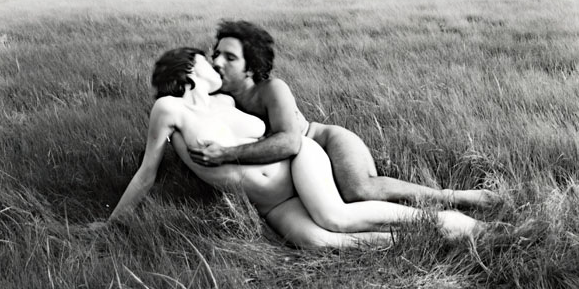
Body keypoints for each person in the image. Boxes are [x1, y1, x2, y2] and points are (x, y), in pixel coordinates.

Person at [96, 47, 483, 248]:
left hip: (298, 160)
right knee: (320, 242)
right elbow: (147, 173)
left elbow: (281, 123)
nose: (217, 67)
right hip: (272, 203)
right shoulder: (170, 109)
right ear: (189, 71)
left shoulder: (227, 101)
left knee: (337, 217)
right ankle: (418, 237)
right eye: (208, 63)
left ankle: (452, 223)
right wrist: (113, 224)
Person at [187, 20, 499, 208]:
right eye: (216, 53)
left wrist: (226, 154)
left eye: (230, 57)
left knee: (358, 191)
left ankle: (454, 198)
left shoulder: (272, 89)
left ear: (251, 66)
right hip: (299, 170)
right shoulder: (215, 96)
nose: (217, 62)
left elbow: (290, 143)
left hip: (327, 142)